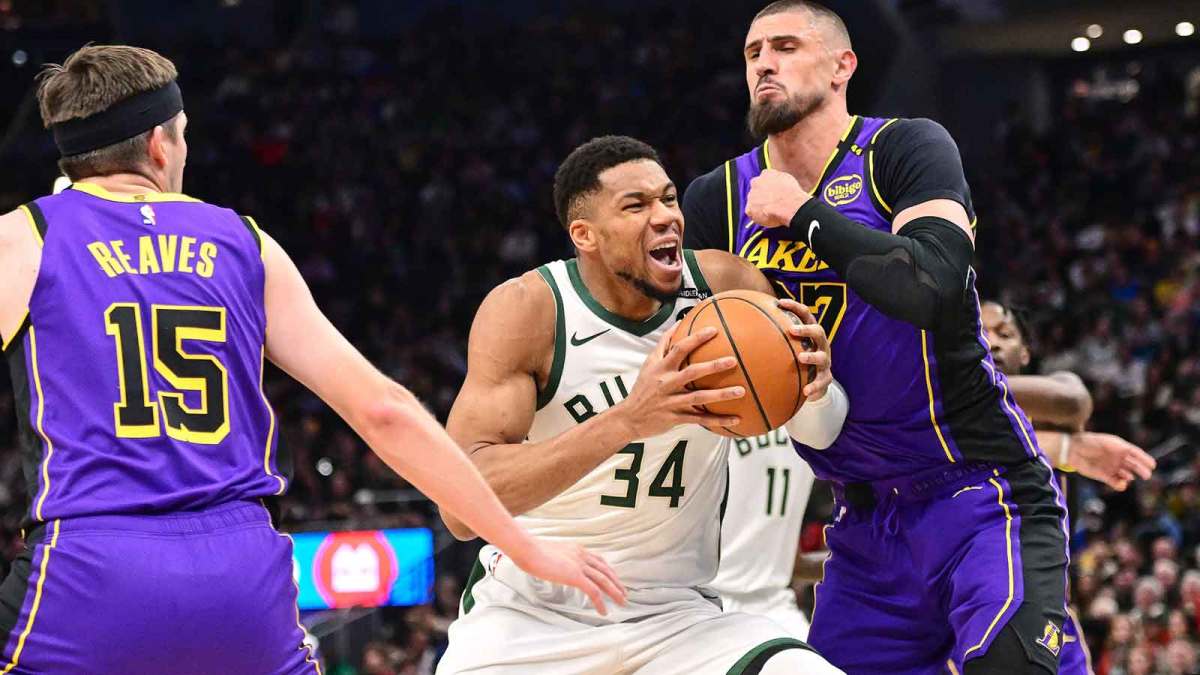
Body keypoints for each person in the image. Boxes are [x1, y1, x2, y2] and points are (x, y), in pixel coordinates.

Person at [0, 45, 623, 674]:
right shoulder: (246, 243)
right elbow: (383, 410)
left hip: (88, 569)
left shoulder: (25, 238)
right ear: (161, 144)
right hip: (239, 574)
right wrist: (523, 546)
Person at [683, 2, 1072, 672]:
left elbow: (934, 285)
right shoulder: (715, 199)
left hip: (981, 492)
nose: (764, 64)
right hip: (862, 524)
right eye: (752, 53)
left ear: (843, 66)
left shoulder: (905, 148)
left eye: (785, 46)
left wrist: (804, 216)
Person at [437, 135, 848, 674]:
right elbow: (461, 507)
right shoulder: (531, 311)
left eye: (668, 198)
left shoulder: (727, 289)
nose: (666, 217)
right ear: (583, 234)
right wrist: (630, 418)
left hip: (676, 619)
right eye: (636, 206)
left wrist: (814, 390)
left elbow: (823, 434)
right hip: (530, 619)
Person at [982, 300, 1157, 675]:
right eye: (980, 330)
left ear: (1025, 352)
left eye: (1005, 333)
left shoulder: (1049, 405)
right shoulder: (931, 420)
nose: (992, 341)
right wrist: (1069, 450)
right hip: (961, 615)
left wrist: (1067, 444)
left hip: (1045, 621)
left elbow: (1074, 401)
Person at [713, 427, 819, 639]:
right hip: (714, 603)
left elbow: (790, 562)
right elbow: (793, 565)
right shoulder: (814, 427)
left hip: (766, 601)